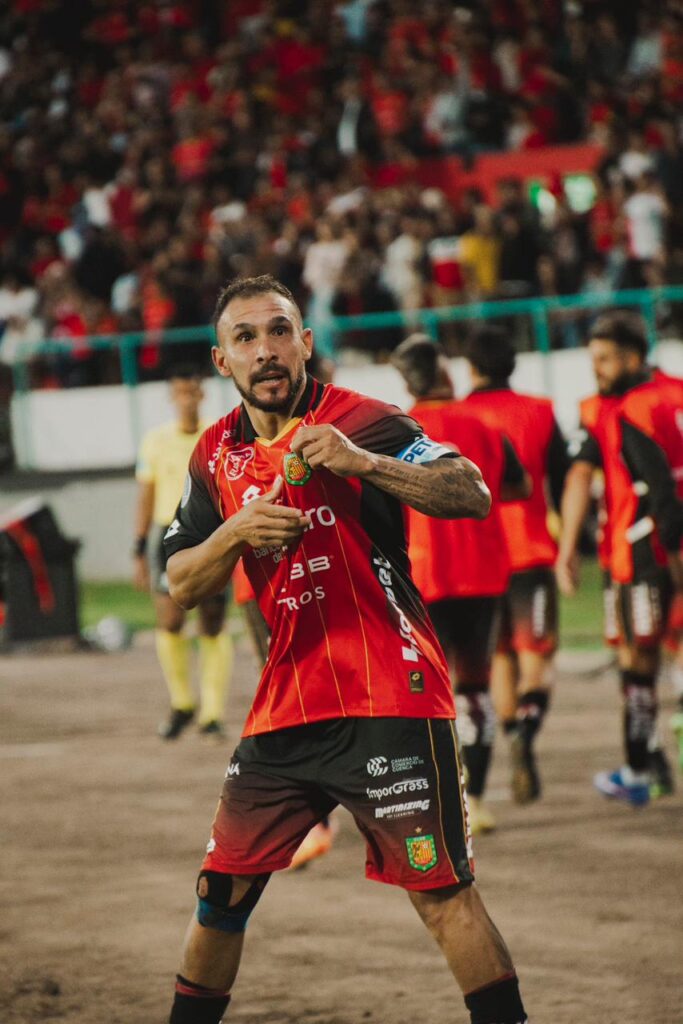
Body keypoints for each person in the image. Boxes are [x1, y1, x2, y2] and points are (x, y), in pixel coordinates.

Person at [162, 275, 528, 1024]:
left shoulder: (363, 419)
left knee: (441, 895)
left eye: (278, 331)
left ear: (305, 342)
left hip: (388, 696)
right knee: (220, 893)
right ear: (221, 360)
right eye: (245, 337)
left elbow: (470, 492)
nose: (265, 350)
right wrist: (235, 532)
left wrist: (364, 463)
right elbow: (180, 581)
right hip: (285, 709)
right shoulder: (213, 455)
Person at [391, 334, 531, 834]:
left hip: (421, 576)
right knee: (475, 686)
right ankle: (477, 799)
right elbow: (519, 485)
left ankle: (429, 799)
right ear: (445, 372)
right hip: (482, 571)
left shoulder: (394, 430)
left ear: (407, 382)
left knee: (420, 690)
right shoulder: (483, 424)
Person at [556, 311, 683, 805]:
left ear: (633, 358)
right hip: (655, 547)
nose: (597, 369)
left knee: (638, 659)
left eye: (605, 359)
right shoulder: (674, 394)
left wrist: (568, 547)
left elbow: (655, 489)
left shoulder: (626, 409)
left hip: (642, 549)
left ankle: (642, 768)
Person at [462, 327, 570, 804]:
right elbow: (562, 479)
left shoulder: (458, 414)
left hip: (480, 558)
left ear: (472, 368)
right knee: (537, 658)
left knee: (500, 657)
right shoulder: (540, 411)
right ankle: (526, 727)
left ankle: (510, 735)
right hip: (531, 552)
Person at [133, 366, 233, 740]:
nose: (187, 399)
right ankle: (182, 703)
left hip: (210, 532)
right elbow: (146, 495)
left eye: (192, 392)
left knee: (212, 620)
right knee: (170, 620)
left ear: (202, 394)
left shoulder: (217, 435)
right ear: (171, 397)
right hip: (167, 535)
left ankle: (212, 713)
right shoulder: (155, 441)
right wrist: (138, 546)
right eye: (180, 393)